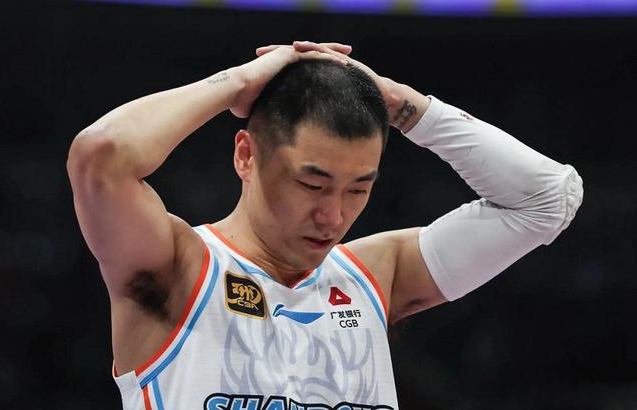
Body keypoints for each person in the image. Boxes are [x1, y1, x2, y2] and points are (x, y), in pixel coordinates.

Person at [67, 41, 583, 410]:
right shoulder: (177, 267)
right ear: (246, 155)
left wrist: (401, 105)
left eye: (358, 189)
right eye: (312, 185)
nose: (333, 217)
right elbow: (100, 156)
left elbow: (548, 198)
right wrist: (239, 83)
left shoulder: (376, 275)